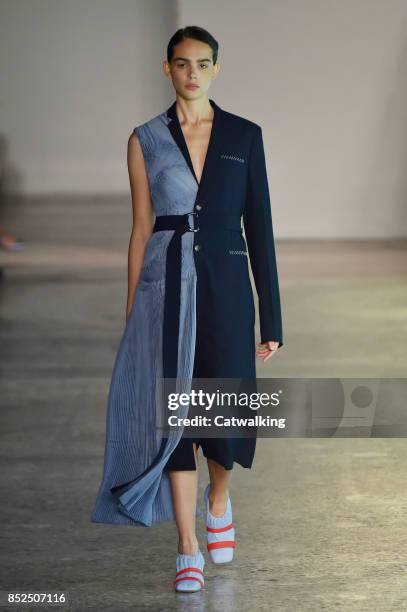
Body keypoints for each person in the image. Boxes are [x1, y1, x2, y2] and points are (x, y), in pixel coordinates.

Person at [90, 25, 283, 593]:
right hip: (166, 287)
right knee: (174, 418)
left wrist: (271, 318)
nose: (192, 73)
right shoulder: (145, 138)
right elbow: (139, 230)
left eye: (202, 63)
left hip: (225, 287)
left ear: (216, 69)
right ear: (167, 69)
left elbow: (261, 228)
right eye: (182, 63)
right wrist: (133, 315)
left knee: (222, 414)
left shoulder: (244, 136)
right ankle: (186, 544)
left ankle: (218, 499)